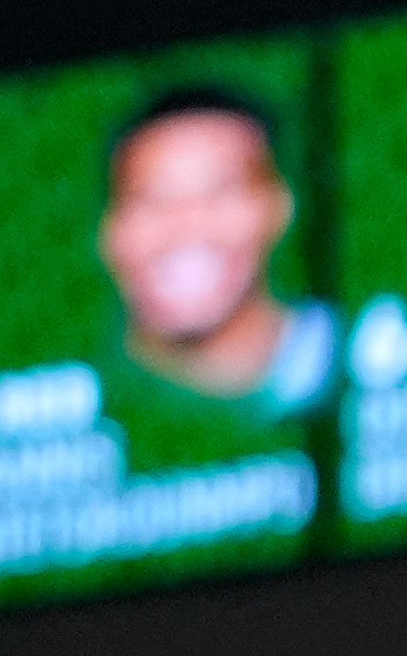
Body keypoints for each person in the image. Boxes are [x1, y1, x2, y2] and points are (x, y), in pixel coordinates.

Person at [97, 84, 330, 418]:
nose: (187, 225)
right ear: (111, 231)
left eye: (221, 192)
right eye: (152, 199)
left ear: (277, 208)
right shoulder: (75, 392)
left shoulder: (360, 355)